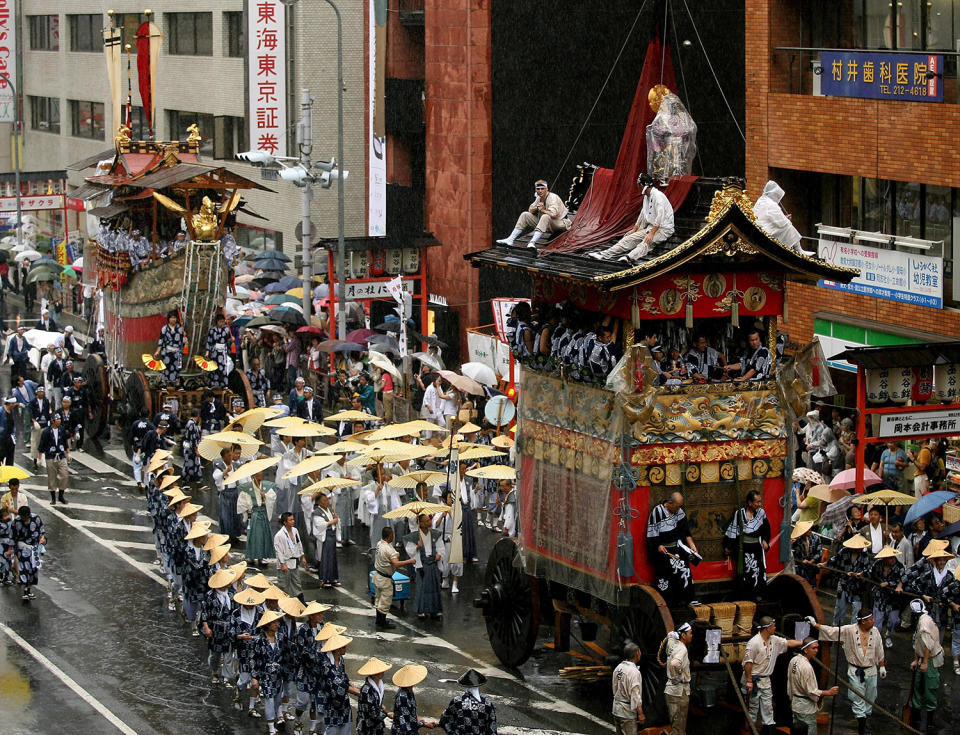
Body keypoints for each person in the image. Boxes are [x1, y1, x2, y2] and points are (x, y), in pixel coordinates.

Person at [808, 610, 885, 735]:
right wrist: (815, 624)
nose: (873, 621)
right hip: (856, 670)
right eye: (870, 619)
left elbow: (880, 650)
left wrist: (882, 666)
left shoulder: (875, 631)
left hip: (871, 670)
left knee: (871, 697)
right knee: (858, 698)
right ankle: (862, 728)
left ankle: (864, 721)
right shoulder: (849, 630)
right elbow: (832, 631)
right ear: (863, 621)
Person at [589, 176, 675, 265]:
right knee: (628, 239)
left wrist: (652, 233)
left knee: (646, 242)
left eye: (638, 185)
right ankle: (603, 254)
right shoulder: (647, 196)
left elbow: (660, 215)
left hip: (663, 229)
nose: (637, 187)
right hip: (651, 228)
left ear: (642, 185)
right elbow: (643, 214)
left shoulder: (658, 196)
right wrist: (635, 229)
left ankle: (629, 257)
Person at [741, 617, 802, 735]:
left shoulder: (774, 640)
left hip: (765, 680)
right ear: (767, 628)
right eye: (773, 626)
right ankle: (750, 729)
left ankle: (768, 729)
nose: (775, 628)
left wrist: (803, 643)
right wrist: (749, 680)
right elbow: (748, 663)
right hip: (754, 679)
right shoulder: (754, 643)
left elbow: (787, 643)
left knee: (768, 706)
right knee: (752, 707)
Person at [646, 491, 700, 605]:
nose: (680, 508)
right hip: (663, 550)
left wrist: (692, 546)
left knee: (684, 569)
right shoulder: (657, 512)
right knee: (665, 575)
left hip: (676, 547)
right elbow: (652, 532)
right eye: (678, 506)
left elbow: (686, 531)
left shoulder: (679, 512)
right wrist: (658, 545)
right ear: (670, 503)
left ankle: (688, 599)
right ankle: (666, 602)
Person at [496, 179, 570, 250]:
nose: (540, 191)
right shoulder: (539, 197)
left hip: (560, 223)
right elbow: (530, 210)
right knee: (525, 214)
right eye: (538, 189)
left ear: (547, 189)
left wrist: (543, 210)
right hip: (546, 224)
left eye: (542, 188)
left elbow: (553, 214)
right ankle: (510, 239)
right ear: (535, 190)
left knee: (545, 216)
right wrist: (536, 208)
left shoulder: (553, 197)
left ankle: (532, 242)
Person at [251, 609, 292, 735]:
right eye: (274, 622)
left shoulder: (281, 637)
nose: (277, 624)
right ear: (268, 624)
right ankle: (270, 726)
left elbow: (287, 654)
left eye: (277, 622)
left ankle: (273, 719)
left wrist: (287, 670)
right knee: (269, 698)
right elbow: (253, 659)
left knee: (277, 699)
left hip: (279, 675)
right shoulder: (259, 640)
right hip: (266, 675)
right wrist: (254, 677)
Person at [723, 490, 771, 596]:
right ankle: (746, 595)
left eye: (760, 502)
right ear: (750, 503)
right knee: (746, 572)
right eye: (757, 502)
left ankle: (758, 594)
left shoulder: (761, 513)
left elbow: (766, 529)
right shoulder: (739, 514)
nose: (759, 504)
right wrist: (729, 546)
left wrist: (765, 540)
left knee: (758, 571)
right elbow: (733, 531)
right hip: (744, 548)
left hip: (757, 548)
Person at [787, 638, 839, 734]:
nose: (816, 651)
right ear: (806, 650)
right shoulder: (806, 667)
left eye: (817, 648)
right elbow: (811, 691)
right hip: (806, 708)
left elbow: (789, 682)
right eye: (813, 648)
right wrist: (829, 692)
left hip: (795, 704)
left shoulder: (793, 660)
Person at [199, 567, 239, 686]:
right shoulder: (210, 596)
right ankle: (214, 671)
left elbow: (236, 611)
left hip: (229, 629)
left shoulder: (232, 594)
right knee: (215, 655)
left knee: (228, 655)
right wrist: (206, 628)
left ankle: (227, 677)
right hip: (215, 630)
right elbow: (204, 613)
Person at [909, 598, 944, 733]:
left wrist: (924, 663)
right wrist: (916, 660)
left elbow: (928, 645)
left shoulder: (924, 623)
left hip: (930, 659)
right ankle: (916, 716)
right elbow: (918, 643)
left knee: (929, 689)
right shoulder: (922, 620)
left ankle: (930, 721)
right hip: (922, 657)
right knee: (917, 687)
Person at [753, 180, 813, 255]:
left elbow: (772, 217)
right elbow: (780, 222)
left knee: (786, 224)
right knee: (788, 226)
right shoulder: (771, 204)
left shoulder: (761, 200)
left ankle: (797, 249)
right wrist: (786, 219)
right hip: (766, 230)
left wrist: (784, 218)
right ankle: (799, 250)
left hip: (760, 227)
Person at [373, 526, 416, 629]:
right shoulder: (388, 549)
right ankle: (382, 622)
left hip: (377, 575)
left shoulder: (380, 544)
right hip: (385, 579)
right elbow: (396, 563)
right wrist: (409, 561)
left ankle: (378, 620)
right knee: (385, 601)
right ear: (389, 536)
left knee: (378, 599)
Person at [404, 513, 445, 620]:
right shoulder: (415, 536)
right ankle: (421, 610)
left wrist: (439, 554)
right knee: (422, 587)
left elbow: (440, 547)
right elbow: (410, 550)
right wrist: (417, 547)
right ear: (420, 524)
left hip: (433, 562)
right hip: (422, 563)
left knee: (435, 587)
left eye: (429, 520)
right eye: (426, 521)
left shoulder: (435, 534)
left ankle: (435, 610)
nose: (429, 522)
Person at [823, 533, 871, 624]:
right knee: (840, 608)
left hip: (857, 586)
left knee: (857, 609)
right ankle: (837, 627)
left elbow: (868, 570)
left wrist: (861, 574)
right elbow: (834, 560)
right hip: (844, 583)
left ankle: (853, 630)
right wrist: (824, 564)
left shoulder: (864, 556)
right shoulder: (844, 551)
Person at [319, 633, 360, 735]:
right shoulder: (326, 665)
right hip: (330, 701)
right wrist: (355, 691)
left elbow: (343, 676)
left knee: (345, 728)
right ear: (337, 649)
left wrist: (351, 684)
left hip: (343, 701)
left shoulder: (340, 659)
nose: (346, 648)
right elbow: (337, 682)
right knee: (331, 729)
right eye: (344, 647)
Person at [438, 669, 497, 735]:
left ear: (464, 687)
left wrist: (452, 732)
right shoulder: (487, 703)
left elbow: (445, 719)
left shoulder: (457, 701)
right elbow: (492, 727)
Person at [869, 545, 904, 649]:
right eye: (889, 557)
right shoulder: (878, 564)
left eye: (893, 557)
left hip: (894, 598)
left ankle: (888, 634)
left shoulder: (899, 567)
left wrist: (890, 583)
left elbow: (903, 579)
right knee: (877, 622)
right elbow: (871, 573)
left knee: (894, 620)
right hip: (880, 596)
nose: (892, 559)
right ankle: (876, 641)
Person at [237, 469, 274, 567]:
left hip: (263, 513)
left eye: (261, 473)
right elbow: (242, 500)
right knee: (254, 535)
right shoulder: (247, 487)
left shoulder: (266, 486)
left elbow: (272, 497)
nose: (260, 475)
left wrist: (265, 496)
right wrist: (247, 508)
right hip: (254, 514)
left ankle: (262, 556)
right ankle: (252, 556)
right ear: (254, 475)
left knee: (263, 535)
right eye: (258, 474)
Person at [12, 505, 45, 601]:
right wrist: (13, 550)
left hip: (34, 547)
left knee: (33, 569)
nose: (23, 519)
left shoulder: (36, 518)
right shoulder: (16, 522)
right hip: (22, 547)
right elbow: (13, 536)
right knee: (25, 568)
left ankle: (29, 588)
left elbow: (41, 530)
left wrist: (42, 539)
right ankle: (26, 590)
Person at [664, 623, 692, 735]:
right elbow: (675, 663)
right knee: (679, 729)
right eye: (690, 633)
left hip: (670, 690)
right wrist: (679, 676)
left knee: (675, 724)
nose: (691, 635)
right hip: (679, 692)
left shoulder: (672, 644)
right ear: (683, 635)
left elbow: (670, 636)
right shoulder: (682, 649)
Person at [611, 642, 644, 735]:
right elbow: (635, 695)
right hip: (627, 713)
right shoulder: (634, 672)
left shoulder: (618, 668)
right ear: (637, 654)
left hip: (616, 709)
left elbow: (614, 687)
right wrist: (641, 714)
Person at [391, 664, 435, 734]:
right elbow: (407, 721)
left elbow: (411, 711)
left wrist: (419, 719)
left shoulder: (409, 691)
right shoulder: (402, 697)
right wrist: (424, 724)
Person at [274, 511, 307, 603]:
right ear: (285, 522)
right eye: (290, 520)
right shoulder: (279, 535)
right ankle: (283, 603)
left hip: (294, 560)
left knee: (296, 582)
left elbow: (299, 543)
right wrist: (282, 564)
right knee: (284, 584)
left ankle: (300, 602)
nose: (293, 521)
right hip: (285, 561)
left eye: (293, 519)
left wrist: (302, 556)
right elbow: (278, 551)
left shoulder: (295, 531)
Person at [38, 411, 69, 505]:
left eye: (60, 419)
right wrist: (39, 458)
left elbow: (65, 442)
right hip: (50, 456)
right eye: (57, 419)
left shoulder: (62, 429)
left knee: (64, 475)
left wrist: (68, 453)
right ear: (52, 421)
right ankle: (53, 498)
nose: (59, 421)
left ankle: (61, 495)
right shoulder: (46, 432)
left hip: (61, 455)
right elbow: (41, 446)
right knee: (52, 478)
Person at [310, 491, 340, 587]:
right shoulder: (317, 512)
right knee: (325, 558)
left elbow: (335, 522)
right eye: (324, 500)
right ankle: (325, 579)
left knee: (332, 558)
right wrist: (333, 521)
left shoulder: (330, 510)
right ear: (319, 503)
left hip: (332, 536)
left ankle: (333, 578)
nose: (327, 502)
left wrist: (336, 519)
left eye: (327, 500)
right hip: (325, 537)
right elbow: (320, 525)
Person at [357, 657, 392, 735]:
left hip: (377, 725)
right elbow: (373, 714)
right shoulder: (366, 690)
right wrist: (387, 714)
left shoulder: (379, 684)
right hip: (367, 727)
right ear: (376, 673)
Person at [155, 310, 186, 387]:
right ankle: (165, 383)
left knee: (177, 368)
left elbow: (183, 341)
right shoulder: (164, 329)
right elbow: (161, 340)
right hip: (167, 351)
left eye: (174, 318)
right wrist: (158, 351)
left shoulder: (180, 328)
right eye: (171, 318)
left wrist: (185, 336)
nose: (173, 319)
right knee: (166, 367)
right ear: (168, 319)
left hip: (177, 351)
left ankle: (177, 383)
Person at [205, 312, 234, 389]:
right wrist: (207, 352)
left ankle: (223, 384)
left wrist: (231, 340)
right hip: (215, 351)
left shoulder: (226, 330)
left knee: (223, 367)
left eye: (223, 321)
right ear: (217, 322)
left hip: (223, 351)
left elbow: (228, 341)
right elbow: (209, 341)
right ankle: (212, 383)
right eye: (220, 321)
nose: (222, 323)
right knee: (214, 367)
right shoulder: (212, 330)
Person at [790, 521, 822, 587]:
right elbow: (795, 556)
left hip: (812, 568)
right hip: (801, 569)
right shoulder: (796, 542)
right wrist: (802, 561)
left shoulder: (816, 538)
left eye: (810, 529)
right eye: (808, 529)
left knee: (811, 588)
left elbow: (819, 552)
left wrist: (811, 561)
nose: (810, 530)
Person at [181, 408, 203, 483]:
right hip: (191, 447)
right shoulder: (192, 424)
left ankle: (189, 478)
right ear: (198, 415)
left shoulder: (190, 423)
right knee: (192, 463)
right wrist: (196, 449)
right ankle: (193, 478)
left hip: (188, 446)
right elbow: (193, 438)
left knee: (190, 463)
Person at [0, 395, 16, 465]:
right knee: (1, 456)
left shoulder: (12, 411)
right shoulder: (1, 411)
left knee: (10, 457)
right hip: (1, 438)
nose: (14, 405)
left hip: (10, 437)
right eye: (13, 403)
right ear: (9, 404)